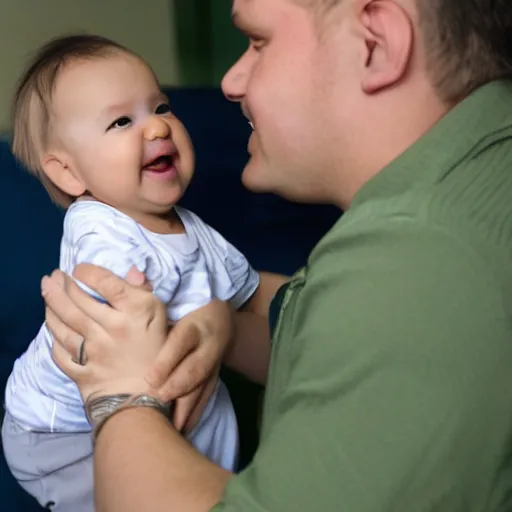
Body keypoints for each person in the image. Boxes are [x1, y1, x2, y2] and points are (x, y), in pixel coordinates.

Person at [41, 0, 512, 510]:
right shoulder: (461, 190)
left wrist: (121, 396)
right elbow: (324, 324)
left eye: (258, 42)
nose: (231, 81)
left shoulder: (413, 262)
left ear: (376, 43)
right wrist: (225, 325)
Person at [2, 33, 285, 512]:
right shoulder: (99, 232)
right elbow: (122, 330)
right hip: (62, 433)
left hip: (152, 394)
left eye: (160, 107)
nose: (156, 129)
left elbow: (257, 296)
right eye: (121, 121)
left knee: (206, 431)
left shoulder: (194, 230)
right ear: (70, 174)